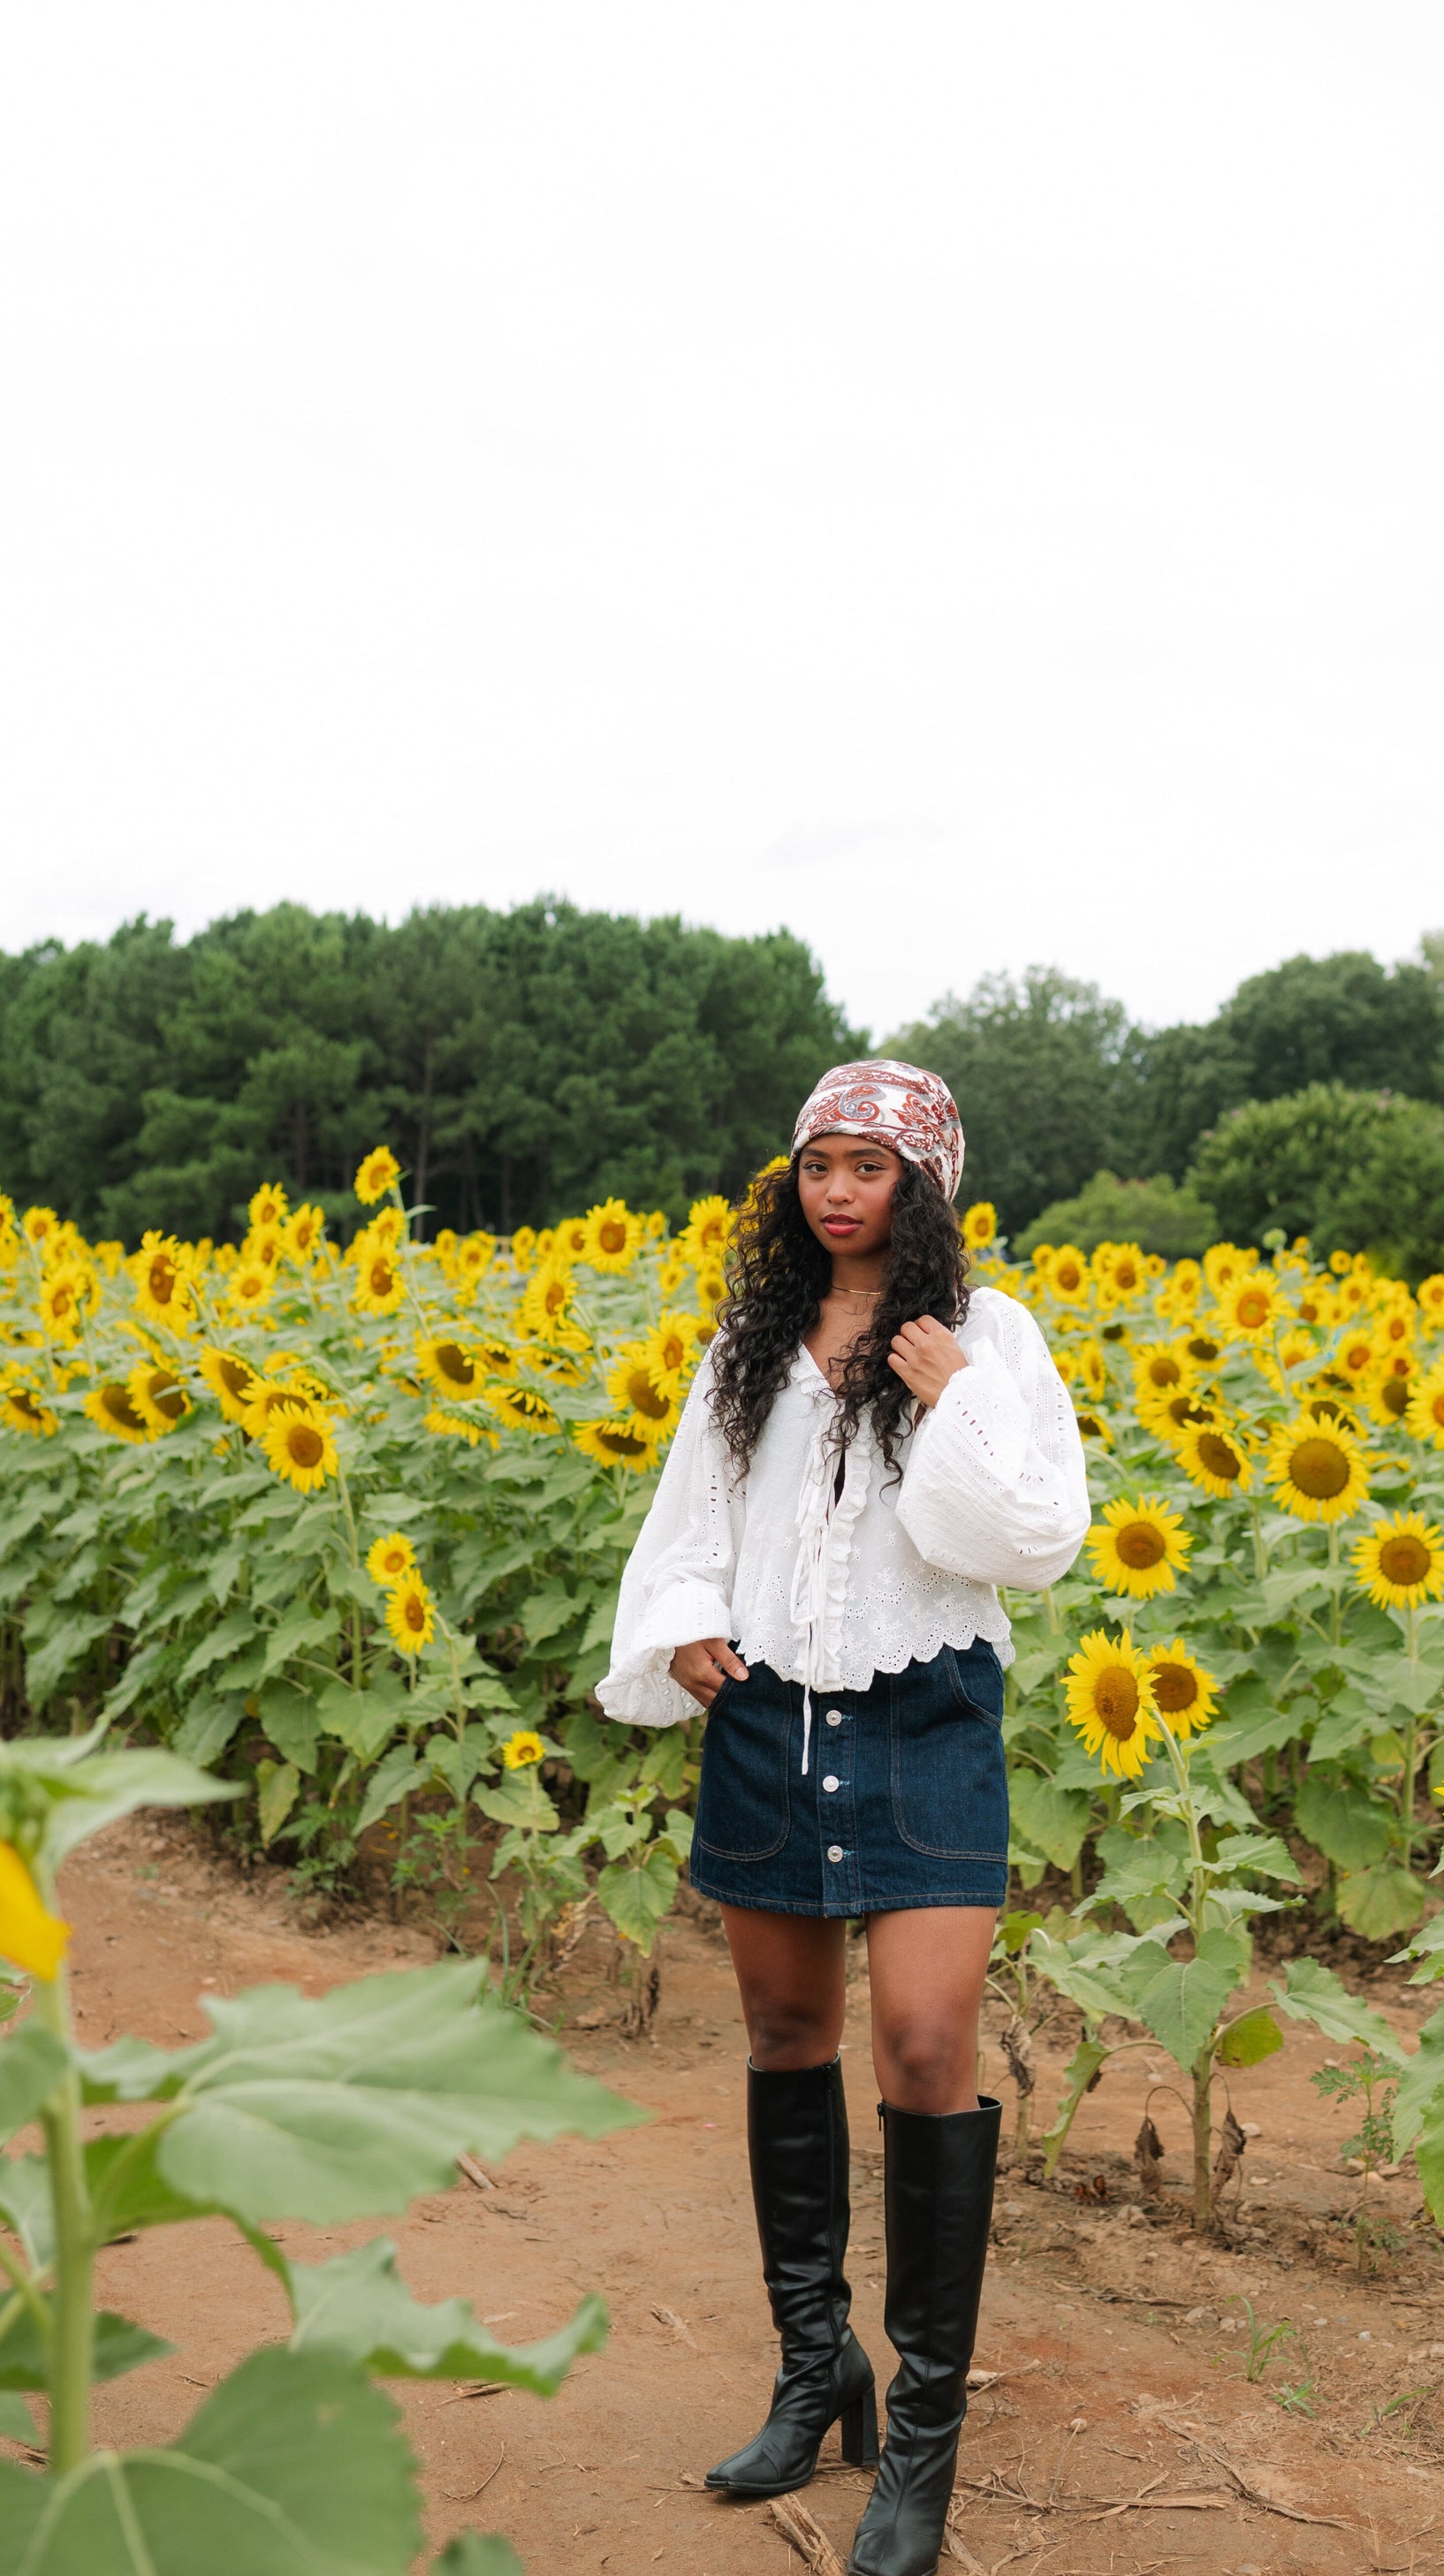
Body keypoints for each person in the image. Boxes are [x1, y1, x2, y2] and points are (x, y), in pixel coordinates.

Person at [598, 1059, 1089, 2576]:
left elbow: (1024, 1540)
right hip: (771, 1717)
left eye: (867, 1166)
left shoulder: (988, 1337)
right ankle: (816, 2371)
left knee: (928, 2053)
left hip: (925, 1721)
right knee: (781, 2039)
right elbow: (694, 1517)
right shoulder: (749, 1340)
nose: (834, 1189)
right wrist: (686, 1623)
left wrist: (951, 1405)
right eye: (816, 1162)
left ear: (921, 1186)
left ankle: (923, 2448)